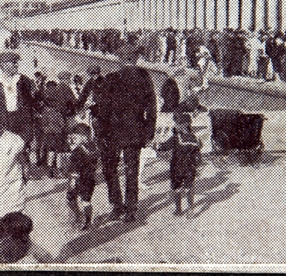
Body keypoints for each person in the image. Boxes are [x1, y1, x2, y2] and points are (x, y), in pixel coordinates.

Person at [95, 45, 157, 223]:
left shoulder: (111, 78)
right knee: (132, 171)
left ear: (120, 59)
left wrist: (100, 133)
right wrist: (149, 132)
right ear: (135, 59)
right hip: (135, 131)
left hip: (113, 132)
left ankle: (117, 205)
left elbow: (103, 109)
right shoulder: (144, 77)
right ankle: (131, 209)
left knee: (110, 169)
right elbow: (152, 108)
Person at [159, 112, 201, 216]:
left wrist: (155, 145)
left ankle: (178, 210)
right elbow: (198, 153)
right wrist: (196, 164)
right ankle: (190, 209)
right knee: (189, 187)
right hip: (190, 167)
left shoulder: (176, 138)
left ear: (185, 125)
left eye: (178, 123)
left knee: (177, 187)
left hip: (176, 167)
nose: (176, 125)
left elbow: (163, 147)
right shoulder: (195, 138)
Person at [65, 123, 97, 230]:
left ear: (83, 137)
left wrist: (73, 180)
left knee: (70, 198)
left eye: (75, 138)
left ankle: (78, 216)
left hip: (77, 179)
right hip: (90, 179)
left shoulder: (77, 151)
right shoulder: (93, 147)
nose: (72, 140)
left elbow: (75, 168)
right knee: (86, 201)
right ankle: (88, 221)